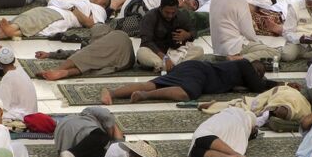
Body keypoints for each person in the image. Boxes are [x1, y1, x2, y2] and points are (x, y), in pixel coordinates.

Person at [101, 58, 280, 104]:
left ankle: (112, 92)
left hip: (191, 67)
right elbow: (258, 87)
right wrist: (278, 85)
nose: (258, 76)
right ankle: (144, 96)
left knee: (155, 82)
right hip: (200, 74)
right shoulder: (245, 64)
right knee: (188, 94)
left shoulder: (238, 71)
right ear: (255, 68)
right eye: (259, 73)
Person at [210, 0, 280, 61]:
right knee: (274, 53)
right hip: (234, 48)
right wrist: (259, 44)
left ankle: (236, 57)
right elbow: (247, 31)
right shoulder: (241, 1)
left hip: (217, 50)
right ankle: (239, 58)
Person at [35, 24, 135, 80]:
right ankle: (66, 73)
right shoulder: (95, 45)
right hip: (124, 62)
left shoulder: (114, 35)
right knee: (90, 64)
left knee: (87, 57)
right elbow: (80, 52)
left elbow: (82, 52)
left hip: (121, 43)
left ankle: (57, 70)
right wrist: (49, 54)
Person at [0, 0, 110, 39]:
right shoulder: (85, 1)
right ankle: (11, 31)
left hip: (61, 14)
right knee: (32, 19)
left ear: (103, 5)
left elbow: (91, 24)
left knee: (35, 19)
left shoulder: (99, 10)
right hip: (55, 10)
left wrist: (73, 9)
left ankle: (11, 29)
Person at [137, 0, 202, 72]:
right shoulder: (150, 16)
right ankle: (165, 64)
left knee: (199, 51)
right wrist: (165, 58)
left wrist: (187, 35)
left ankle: (166, 66)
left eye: (173, 13)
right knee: (141, 53)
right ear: (160, 8)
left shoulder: (181, 15)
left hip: (175, 52)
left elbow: (194, 31)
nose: (170, 16)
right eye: (167, 12)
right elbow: (146, 41)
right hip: (156, 53)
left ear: (177, 9)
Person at [54, 107, 124, 157]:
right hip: (74, 125)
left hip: (69, 138)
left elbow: (115, 152)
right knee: (102, 137)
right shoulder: (90, 117)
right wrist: (113, 126)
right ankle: (72, 153)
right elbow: (105, 115)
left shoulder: (104, 141)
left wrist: (116, 139)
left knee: (102, 155)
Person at [189, 108, 256, 157]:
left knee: (196, 149)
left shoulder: (237, 113)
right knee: (197, 147)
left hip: (216, 125)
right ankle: (233, 155)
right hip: (226, 122)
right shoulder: (241, 116)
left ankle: (230, 156)